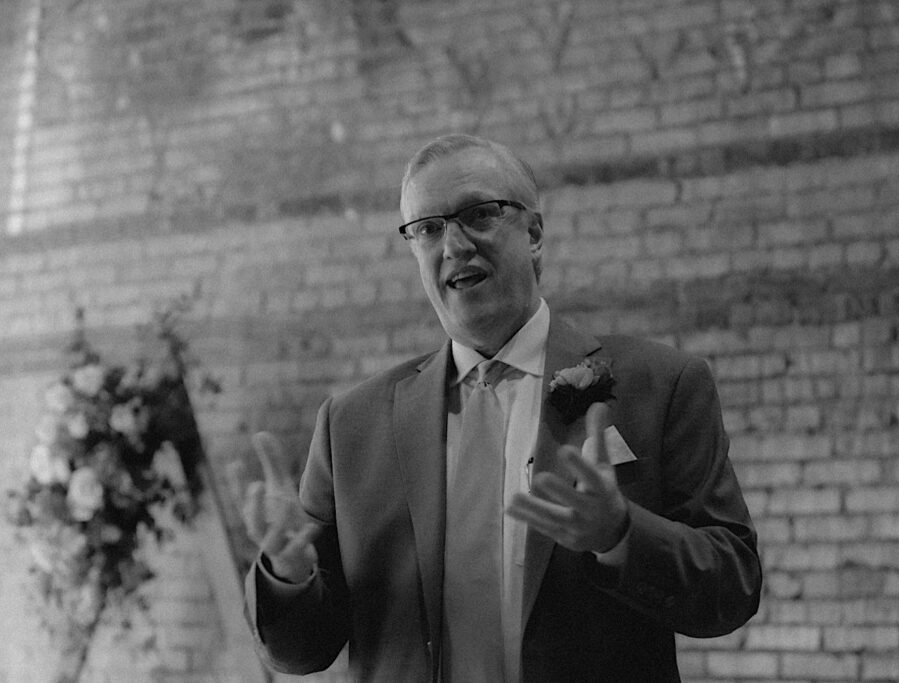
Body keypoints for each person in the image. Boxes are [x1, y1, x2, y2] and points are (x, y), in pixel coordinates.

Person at [242, 134, 762, 682]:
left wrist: (622, 536)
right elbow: (301, 652)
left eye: (479, 214)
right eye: (428, 228)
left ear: (534, 234)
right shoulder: (351, 426)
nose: (455, 245)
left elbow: (733, 587)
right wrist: (288, 573)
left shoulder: (660, 386)